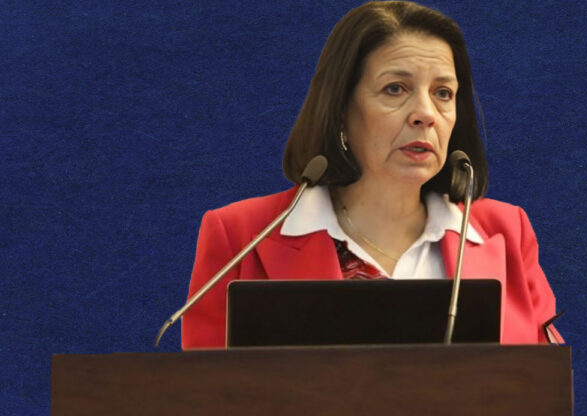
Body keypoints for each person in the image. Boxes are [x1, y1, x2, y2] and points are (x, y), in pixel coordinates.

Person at [181, 1, 563, 349]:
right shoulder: (239, 236)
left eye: (443, 93)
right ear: (340, 110)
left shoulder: (507, 233)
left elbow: (546, 386)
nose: (425, 113)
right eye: (395, 89)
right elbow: (204, 393)